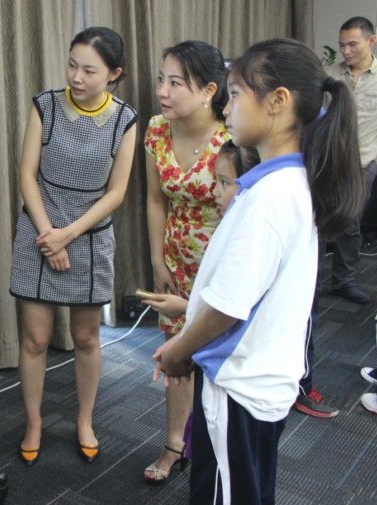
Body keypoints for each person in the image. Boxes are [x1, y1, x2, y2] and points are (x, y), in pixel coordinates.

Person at [154, 38, 363, 504]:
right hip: (256, 380)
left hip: (239, 386)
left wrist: (179, 350)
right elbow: (256, 294)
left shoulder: (270, 198)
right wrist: (191, 310)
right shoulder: (285, 183)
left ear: (278, 101)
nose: (226, 108)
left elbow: (229, 308)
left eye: (235, 94)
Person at [9, 27, 138, 466]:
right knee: (35, 339)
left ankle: (85, 420)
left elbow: (116, 192)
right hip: (39, 230)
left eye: (89, 70)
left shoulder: (125, 120)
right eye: (72, 65)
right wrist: (51, 235)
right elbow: (26, 175)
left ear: (114, 74)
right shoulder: (45, 106)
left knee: (86, 337)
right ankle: (34, 423)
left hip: (90, 235)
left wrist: (69, 234)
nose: (76, 77)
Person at [143, 40, 229, 484]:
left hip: (222, 262)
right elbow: (155, 199)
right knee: (175, 355)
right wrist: (158, 259)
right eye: (162, 79)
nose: (163, 90)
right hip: (176, 259)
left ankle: (219, 448)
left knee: (216, 356)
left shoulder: (231, 139)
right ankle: (174, 443)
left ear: (209, 90)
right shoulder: (158, 129)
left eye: (176, 82)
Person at [145, 140, 260, 320]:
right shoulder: (229, 229)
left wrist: (184, 307)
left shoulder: (246, 239)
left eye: (224, 182)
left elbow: (229, 311)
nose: (214, 192)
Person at [320, 16, 377, 305]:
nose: (345, 51)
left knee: (350, 223)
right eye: (342, 45)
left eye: (352, 44)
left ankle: (345, 281)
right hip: (328, 161)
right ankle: (309, 280)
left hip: (363, 163)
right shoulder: (329, 76)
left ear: (371, 41)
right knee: (318, 220)